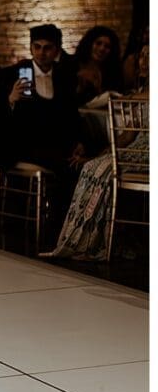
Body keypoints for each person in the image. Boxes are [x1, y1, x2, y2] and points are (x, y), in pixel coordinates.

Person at [42, 43, 149, 260]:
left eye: (150, 56)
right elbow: (127, 136)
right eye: (142, 55)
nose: (144, 61)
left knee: (103, 170)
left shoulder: (142, 96)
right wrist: (101, 154)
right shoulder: (139, 93)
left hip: (148, 153)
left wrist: (127, 100)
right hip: (134, 149)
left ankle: (103, 240)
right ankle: (81, 241)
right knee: (92, 166)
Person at [0, 23, 88, 215]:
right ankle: (56, 218)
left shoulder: (64, 76)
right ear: (31, 47)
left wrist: (79, 141)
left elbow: (72, 115)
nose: (41, 53)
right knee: (66, 166)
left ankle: (66, 219)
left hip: (54, 144)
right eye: (37, 47)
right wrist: (11, 100)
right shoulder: (12, 74)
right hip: (19, 145)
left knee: (81, 162)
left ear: (57, 50)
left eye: (47, 48)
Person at [72, 25, 123, 105]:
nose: (102, 49)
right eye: (98, 43)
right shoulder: (73, 66)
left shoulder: (113, 72)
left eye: (107, 46)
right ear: (89, 44)